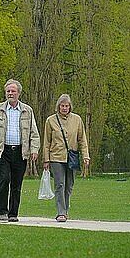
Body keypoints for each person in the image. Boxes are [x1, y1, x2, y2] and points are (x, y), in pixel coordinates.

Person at [0, 79, 40, 222]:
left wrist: (34, 149)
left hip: (21, 152)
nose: (10, 93)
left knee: (16, 183)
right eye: (8, 91)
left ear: (18, 93)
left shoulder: (27, 110)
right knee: (4, 179)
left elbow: (34, 132)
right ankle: (2, 211)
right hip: (3, 151)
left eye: (13, 91)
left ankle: (13, 214)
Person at [42, 94, 90, 222]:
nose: (64, 108)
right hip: (56, 157)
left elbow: (82, 139)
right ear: (58, 106)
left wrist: (86, 155)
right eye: (62, 106)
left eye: (66, 106)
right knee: (60, 184)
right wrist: (46, 159)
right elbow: (47, 141)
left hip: (72, 157)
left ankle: (66, 209)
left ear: (70, 107)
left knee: (69, 185)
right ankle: (61, 212)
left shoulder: (77, 119)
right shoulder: (50, 120)